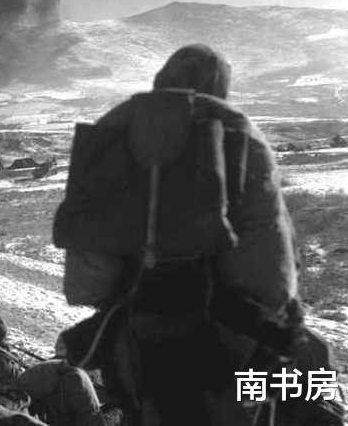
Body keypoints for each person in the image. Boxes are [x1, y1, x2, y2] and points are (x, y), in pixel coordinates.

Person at [54, 44, 302, 425]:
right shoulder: (240, 131)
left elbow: (88, 276)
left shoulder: (114, 127)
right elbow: (267, 261)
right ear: (220, 85)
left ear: (161, 79)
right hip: (223, 343)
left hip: (136, 339)